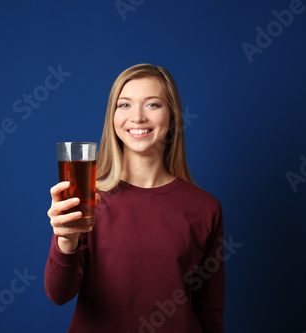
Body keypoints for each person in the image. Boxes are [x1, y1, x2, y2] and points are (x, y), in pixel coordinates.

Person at [45, 64, 224, 333]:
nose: (137, 117)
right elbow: (59, 294)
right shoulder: (88, 199)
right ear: (112, 118)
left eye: (152, 105)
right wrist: (65, 240)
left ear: (172, 118)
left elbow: (210, 313)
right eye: (124, 105)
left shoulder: (205, 208)